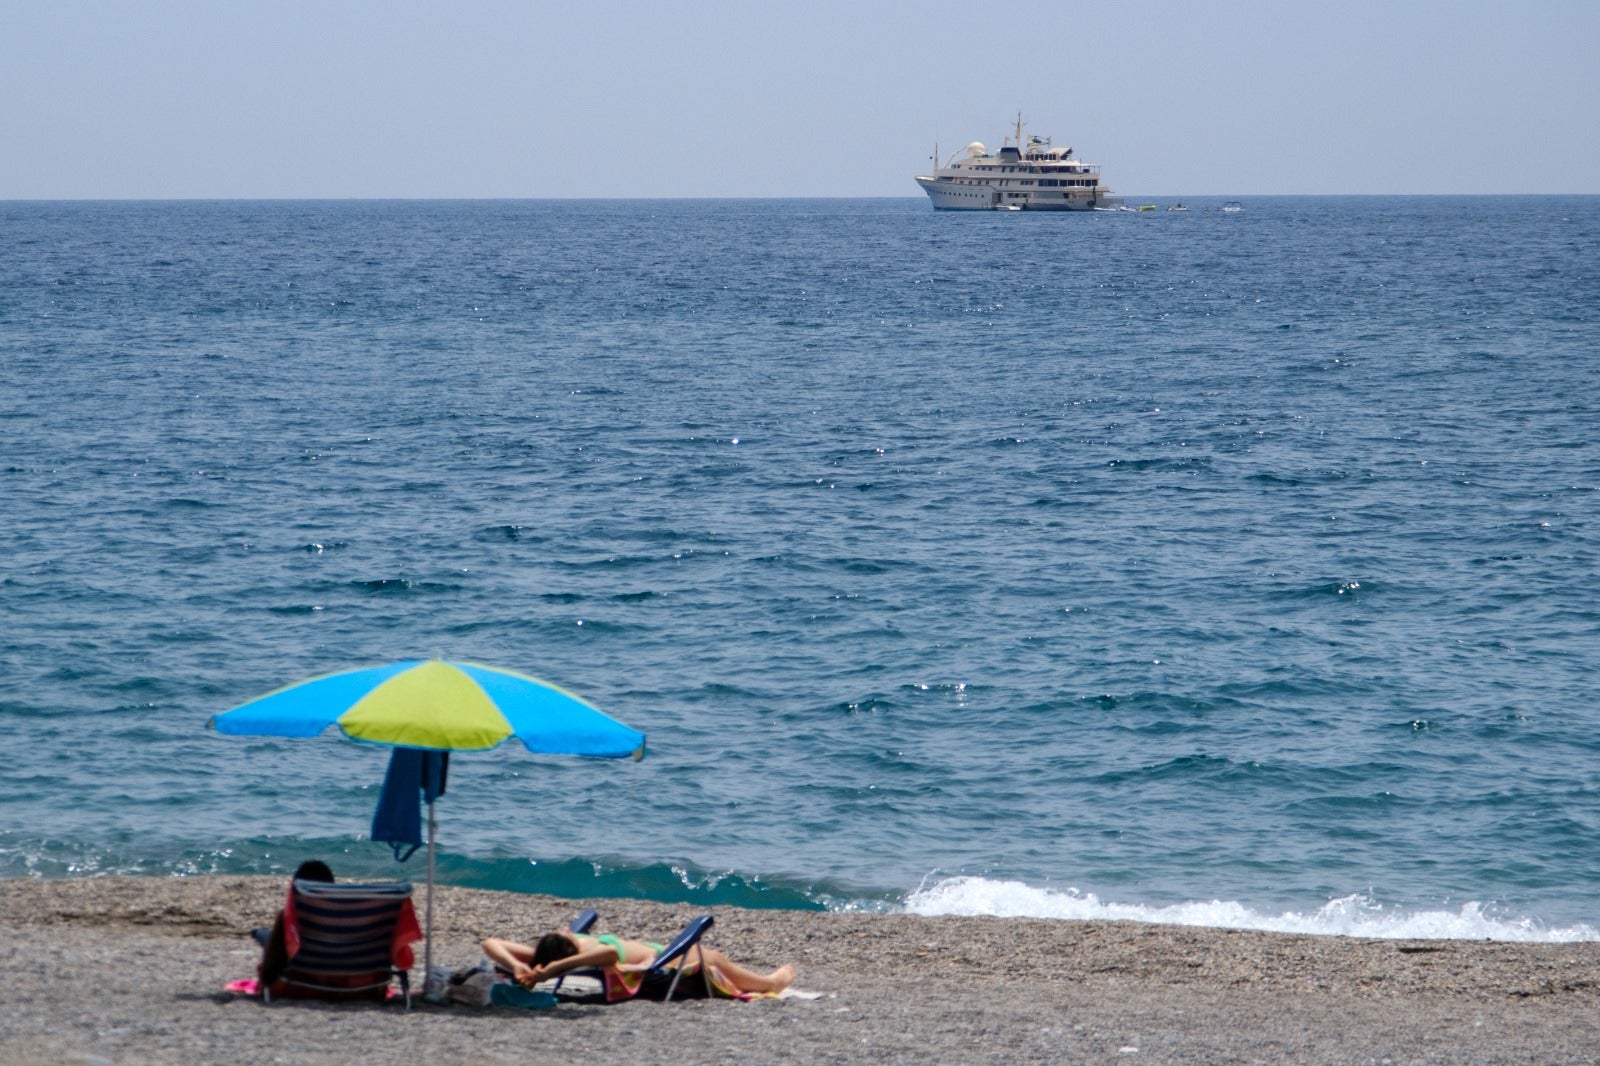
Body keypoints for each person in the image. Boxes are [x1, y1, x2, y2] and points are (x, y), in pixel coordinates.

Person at [480, 925, 796, 997]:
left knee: (714, 957)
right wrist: (553, 969)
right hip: (659, 960)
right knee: (712, 958)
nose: (565, 927)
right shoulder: (582, 953)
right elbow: (610, 955)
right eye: (564, 931)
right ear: (569, 947)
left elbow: (490, 943)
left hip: (655, 952)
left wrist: (520, 965)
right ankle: (770, 983)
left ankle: (766, 981)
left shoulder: (560, 950)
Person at [257, 860, 335, 986]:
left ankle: (258, 933)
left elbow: (268, 973)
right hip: (339, 973)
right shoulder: (342, 920)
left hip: (301, 971)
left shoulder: (290, 918)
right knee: (264, 934)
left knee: (263, 935)